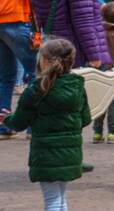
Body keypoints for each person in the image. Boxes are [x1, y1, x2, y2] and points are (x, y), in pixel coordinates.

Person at [0, 38, 91, 211]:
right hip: (71, 153)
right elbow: (85, 119)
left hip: (45, 154)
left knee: (53, 201)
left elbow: (19, 123)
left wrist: (6, 119)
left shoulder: (36, 89)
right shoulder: (77, 86)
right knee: (60, 198)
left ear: (44, 61)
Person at [0, 0, 42, 140]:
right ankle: (33, 125)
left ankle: (4, 126)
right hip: (14, 17)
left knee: (5, 76)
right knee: (38, 71)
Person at [92, 1, 114, 143]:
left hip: (100, 69)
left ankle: (97, 133)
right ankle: (112, 132)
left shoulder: (98, 33)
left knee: (100, 100)